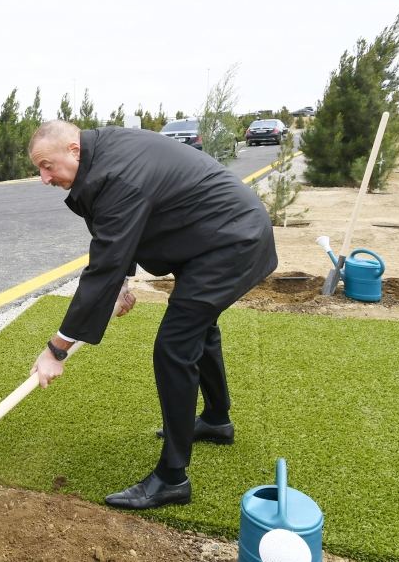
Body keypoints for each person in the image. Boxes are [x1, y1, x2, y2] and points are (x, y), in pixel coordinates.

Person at [28, 120, 277, 509]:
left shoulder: (117, 173)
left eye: (47, 165)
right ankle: (216, 419)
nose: (43, 178)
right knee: (199, 328)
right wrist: (124, 284)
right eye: (39, 169)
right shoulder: (102, 156)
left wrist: (56, 349)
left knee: (174, 346)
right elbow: (117, 233)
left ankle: (172, 478)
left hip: (232, 240)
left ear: (73, 150)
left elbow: (104, 264)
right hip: (208, 235)